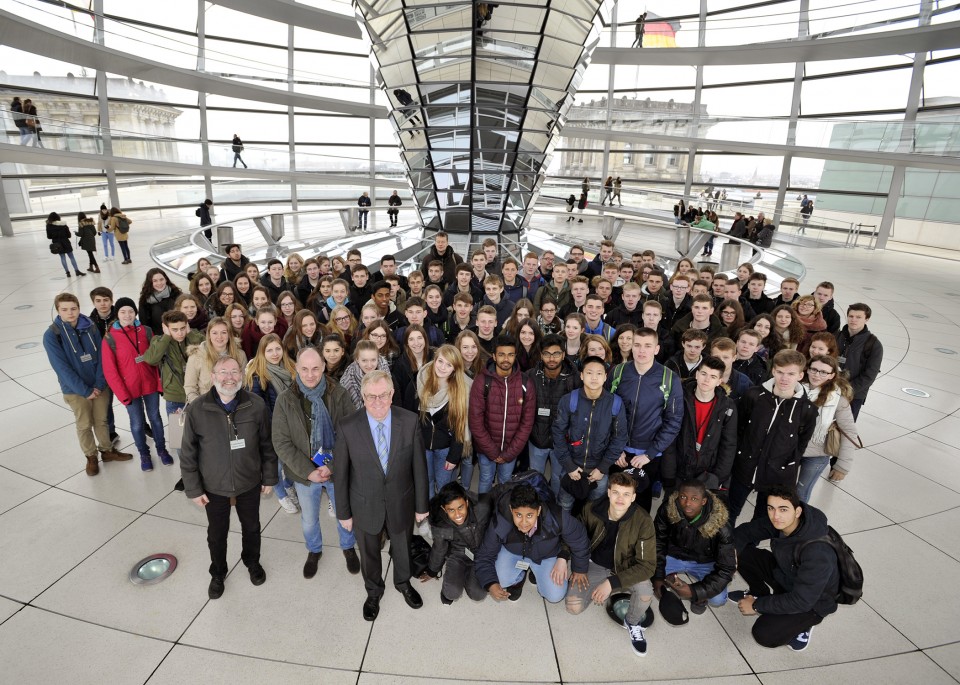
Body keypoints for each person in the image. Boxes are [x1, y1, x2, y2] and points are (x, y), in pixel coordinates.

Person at [333, 370, 430, 621]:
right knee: (369, 552)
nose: (377, 402)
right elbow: (341, 474)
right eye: (371, 397)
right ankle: (373, 591)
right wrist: (343, 512)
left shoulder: (409, 421)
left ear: (392, 394)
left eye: (383, 395)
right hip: (364, 503)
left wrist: (421, 506)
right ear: (363, 397)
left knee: (402, 546)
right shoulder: (347, 427)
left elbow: (419, 468)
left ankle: (403, 583)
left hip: (401, 501)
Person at [180, 356, 277, 599]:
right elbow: (188, 454)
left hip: (249, 482)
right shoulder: (197, 409)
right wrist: (193, 489)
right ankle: (218, 571)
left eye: (234, 372)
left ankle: (252, 562)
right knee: (217, 533)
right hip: (214, 486)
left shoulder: (255, 405)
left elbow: (267, 445)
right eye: (223, 372)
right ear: (213, 377)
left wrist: (269, 477)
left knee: (252, 527)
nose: (229, 378)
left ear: (242, 376)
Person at [272, 347, 361, 576]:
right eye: (304, 369)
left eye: (315, 368)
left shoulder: (338, 394)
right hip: (304, 473)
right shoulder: (285, 399)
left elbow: (350, 435)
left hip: (336, 467)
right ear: (296, 369)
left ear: (323, 367)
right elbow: (281, 442)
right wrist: (308, 471)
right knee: (309, 519)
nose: (310, 375)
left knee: (344, 512)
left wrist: (331, 466)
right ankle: (314, 550)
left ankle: (348, 547)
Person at [731, 486, 839, 651]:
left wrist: (756, 605)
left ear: (797, 511)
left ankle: (804, 625)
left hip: (813, 602)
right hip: (787, 575)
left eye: (783, 509)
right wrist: (731, 557)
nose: (776, 516)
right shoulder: (780, 521)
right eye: (770, 508)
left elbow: (802, 600)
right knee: (741, 551)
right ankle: (758, 591)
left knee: (764, 634)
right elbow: (744, 532)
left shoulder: (817, 552)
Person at [566, 471, 656, 655]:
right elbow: (572, 536)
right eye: (616, 492)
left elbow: (647, 565)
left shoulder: (643, 520)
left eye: (626, 494)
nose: (620, 498)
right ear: (608, 492)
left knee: (646, 593)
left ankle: (632, 622)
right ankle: (600, 588)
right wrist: (565, 559)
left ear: (633, 497)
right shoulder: (591, 509)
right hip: (595, 564)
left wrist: (612, 583)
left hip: (626, 567)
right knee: (573, 608)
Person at [44, 293, 132, 476]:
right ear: (58, 310)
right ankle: (91, 456)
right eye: (65, 309)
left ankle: (107, 451)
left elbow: (102, 356)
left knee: (102, 421)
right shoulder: (52, 335)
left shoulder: (89, 326)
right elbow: (61, 368)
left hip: (99, 385)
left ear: (78, 307)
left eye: (73, 308)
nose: (70, 313)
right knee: (84, 424)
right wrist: (85, 390)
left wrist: (100, 383)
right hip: (75, 390)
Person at [728, 350, 818, 523]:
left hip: (776, 476)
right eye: (780, 372)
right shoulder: (754, 396)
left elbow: (801, 444)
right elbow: (739, 429)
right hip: (744, 467)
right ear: (773, 371)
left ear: (800, 375)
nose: (784, 378)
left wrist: (787, 464)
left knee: (763, 518)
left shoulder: (807, 410)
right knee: (730, 510)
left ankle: (749, 548)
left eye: (791, 374)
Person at [475, 481, 590, 604]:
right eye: (518, 515)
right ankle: (519, 578)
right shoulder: (500, 519)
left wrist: (578, 567)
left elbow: (579, 538)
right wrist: (491, 584)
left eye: (530, 515)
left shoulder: (557, 515)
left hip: (546, 556)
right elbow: (484, 555)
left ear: (539, 510)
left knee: (555, 595)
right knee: (498, 580)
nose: (524, 522)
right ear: (511, 509)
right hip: (513, 554)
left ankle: (537, 574)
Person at [607, 327, 684, 513]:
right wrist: (614, 448)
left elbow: (674, 421)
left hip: (648, 454)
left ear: (656, 349)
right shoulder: (617, 372)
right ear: (631, 347)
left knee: (640, 501)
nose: (642, 350)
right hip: (619, 452)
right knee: (616, 499)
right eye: (637, 345)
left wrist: (650, 453)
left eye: (648, 346)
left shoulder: (669, 378)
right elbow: (605, 412)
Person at [101, 298, 172, 472]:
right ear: (117, 314)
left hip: (150, 385)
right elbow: (110, 371)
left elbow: (157, 357)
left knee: (155, 418)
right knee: (137, 423)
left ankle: (161, 449)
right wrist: (122, 394)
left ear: (135, 312)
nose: (127, 315)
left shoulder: (146, 331)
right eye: (123, 312)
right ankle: (144, 453)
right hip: (129, 389)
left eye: (130, 311)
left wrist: (159, 383)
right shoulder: (110, 338)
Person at [551, 357, 628, 512]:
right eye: (589, 373)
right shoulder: (569, 400)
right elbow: (558, 433)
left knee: (594, 509)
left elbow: (619, 438)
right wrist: (569, 465)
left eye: (599, 373)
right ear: (581, 375)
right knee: (564, 505)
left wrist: (603, 467)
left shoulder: (615, 403)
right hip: (572, 466)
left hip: (599, 470)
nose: (594, 377)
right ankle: (563, 533)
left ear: (606, 376)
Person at [653, 480, 736, 619]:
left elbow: (727, 569)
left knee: (718, 599)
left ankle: (698, 597)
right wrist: (657, 576)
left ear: (703, 501)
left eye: (694, 499)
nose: (687, 503)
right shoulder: (668, 509)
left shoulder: (721, 526)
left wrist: (695, 591)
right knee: (646, 574)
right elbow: (657, 542)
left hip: (704, 562)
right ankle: (669, 577)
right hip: (672, 555)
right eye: (683, 497)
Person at [467, 335, 537, 493]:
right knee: (486, 478)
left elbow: (527, 423)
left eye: (511, 355)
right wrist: (492, 451)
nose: (506, 359)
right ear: (494, 356)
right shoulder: (482, 381)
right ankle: (484, 514)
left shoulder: (526, 383)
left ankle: (502, 513)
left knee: (505, 482)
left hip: (511, 449)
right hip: (486, 449)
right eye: (502, 354)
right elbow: (475, 421)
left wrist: (509, 453)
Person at [661, 356, 737, 494]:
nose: (706, 380)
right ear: (697, 374)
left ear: (719, 381)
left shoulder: (727, 406)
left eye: (713, 376)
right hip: (679, 471)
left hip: (707, 475)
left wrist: (717, 477)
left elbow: (729, 445)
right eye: (704, 374)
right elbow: (669, 437)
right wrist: (668, 474)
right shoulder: (679, 398)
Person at [798, 355, 860, 502]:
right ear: (807, 369)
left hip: (817, 454)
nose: (817, 374)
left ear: (832, 375)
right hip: (791, 448)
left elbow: (849, 432)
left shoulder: (838, 399)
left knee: (800, 494)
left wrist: (842, 466)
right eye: (814, 369)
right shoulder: (797, 389)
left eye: (823, 372)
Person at [419, 482, 490, 604]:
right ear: (444, 509)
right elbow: (439, 549)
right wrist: (432, 571)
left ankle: (469, 580)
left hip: (480, 554)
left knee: (478, 594)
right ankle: (453, 584)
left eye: (460, 507)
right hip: (457, 555)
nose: (457, 515)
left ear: (467, 502)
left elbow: (500, 496)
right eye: (451, 510)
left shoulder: (482, 507)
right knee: (452, 592)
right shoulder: (440, 523)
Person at [835, 303, 883, 420]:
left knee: (844, 429)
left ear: (866, 319)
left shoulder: (874, 344)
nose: (853, 320)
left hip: (854, 396)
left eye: (858, 317)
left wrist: (846, 390)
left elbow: (870, 375)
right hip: (831, 390)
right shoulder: (837, 336)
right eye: (851, 316)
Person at [138, 268, 183, 336]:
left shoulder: (176, 293)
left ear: (166, 279)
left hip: (179, 334)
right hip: (159, 337)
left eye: (161, 279)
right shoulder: (145, 300)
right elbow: (144, 323)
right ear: (150, 282)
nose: (159, 283)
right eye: (155, 281)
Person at [46, 212, 85, 278]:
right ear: (58, 218)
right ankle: (77, 271)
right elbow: (69, 235)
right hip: (66, 242)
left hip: (57, 244)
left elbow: (49, 237)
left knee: (62, 257)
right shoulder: (63, 224)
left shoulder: (49, 226)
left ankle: (67, 273)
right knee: (71, 257)